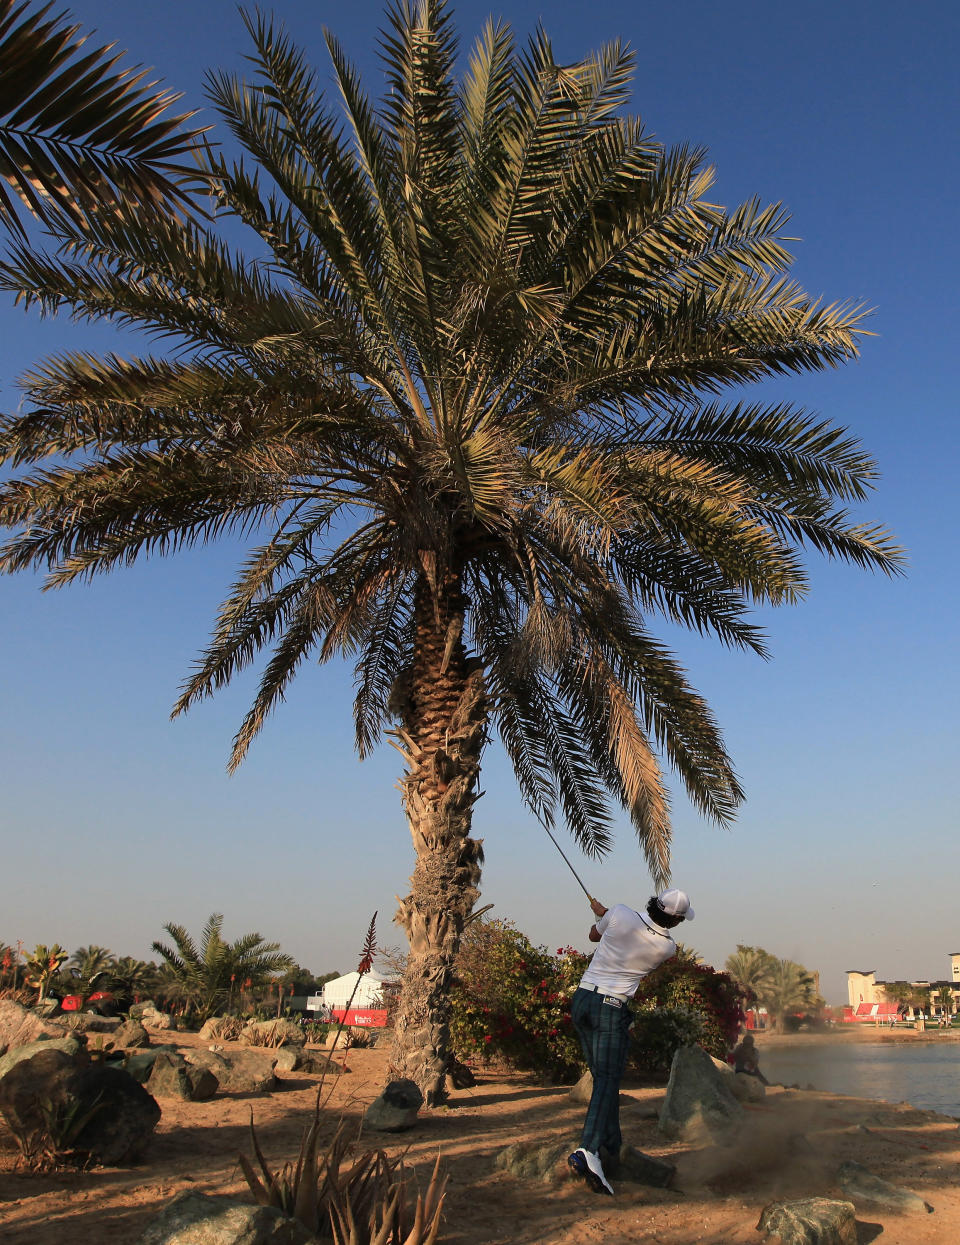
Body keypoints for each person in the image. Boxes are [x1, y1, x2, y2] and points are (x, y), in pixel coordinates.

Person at [567, 887, 694, 1197]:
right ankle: (589, 1148)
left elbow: (594, 937)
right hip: (611, 1009)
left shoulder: (620, 913)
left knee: (602, 1078)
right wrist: (607, 915)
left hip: (582, 1001)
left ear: (654, 902)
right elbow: (638, 933)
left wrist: (603, 915)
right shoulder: (667, 947)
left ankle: (612, 1144)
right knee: (608, 1080)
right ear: (676, 921)